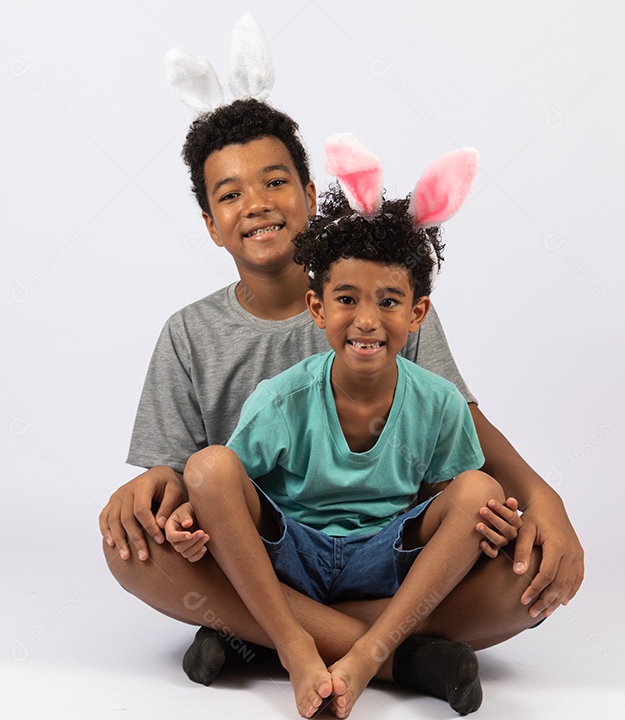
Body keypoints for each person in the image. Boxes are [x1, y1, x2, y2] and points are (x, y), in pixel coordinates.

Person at [99, 98, 583, 699]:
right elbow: (182, 477)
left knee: (521, 569)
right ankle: (399, 658)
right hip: (263, 552)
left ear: (308, 193)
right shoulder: (188, 333)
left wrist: (544, 499)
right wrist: (151, 492)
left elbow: (464, 425)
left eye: (275, 182)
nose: (255, 203)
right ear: (209, 223)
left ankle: (251, 636)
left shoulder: (381, 299)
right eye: (229, 195)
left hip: (381, 553)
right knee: (130, 551)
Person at [164, 136, 523, 717]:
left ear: (417, 312)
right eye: (347, 299)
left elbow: (444, 496)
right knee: (206, 467)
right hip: (291, 555)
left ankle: (350, 653)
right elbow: (229, 487)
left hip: (385, 560)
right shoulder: (281, 399)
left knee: (480, 492)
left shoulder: (438, 403)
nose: (366, 321)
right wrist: (192, 508)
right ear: (318, 308)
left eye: (388, 302)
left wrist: (484, 521)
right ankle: (292, 644)